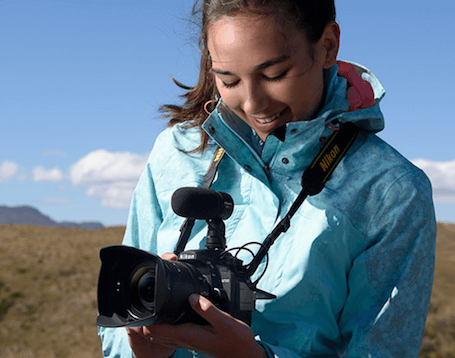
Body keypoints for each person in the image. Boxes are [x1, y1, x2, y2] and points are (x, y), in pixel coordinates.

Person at [98, 0, 436, 357]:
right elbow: (119, 316)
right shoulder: (176, 151)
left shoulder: (392, 191)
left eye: (274, 75)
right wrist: (142, 351)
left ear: (327, 46)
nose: (252, 103)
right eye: (228, 80)